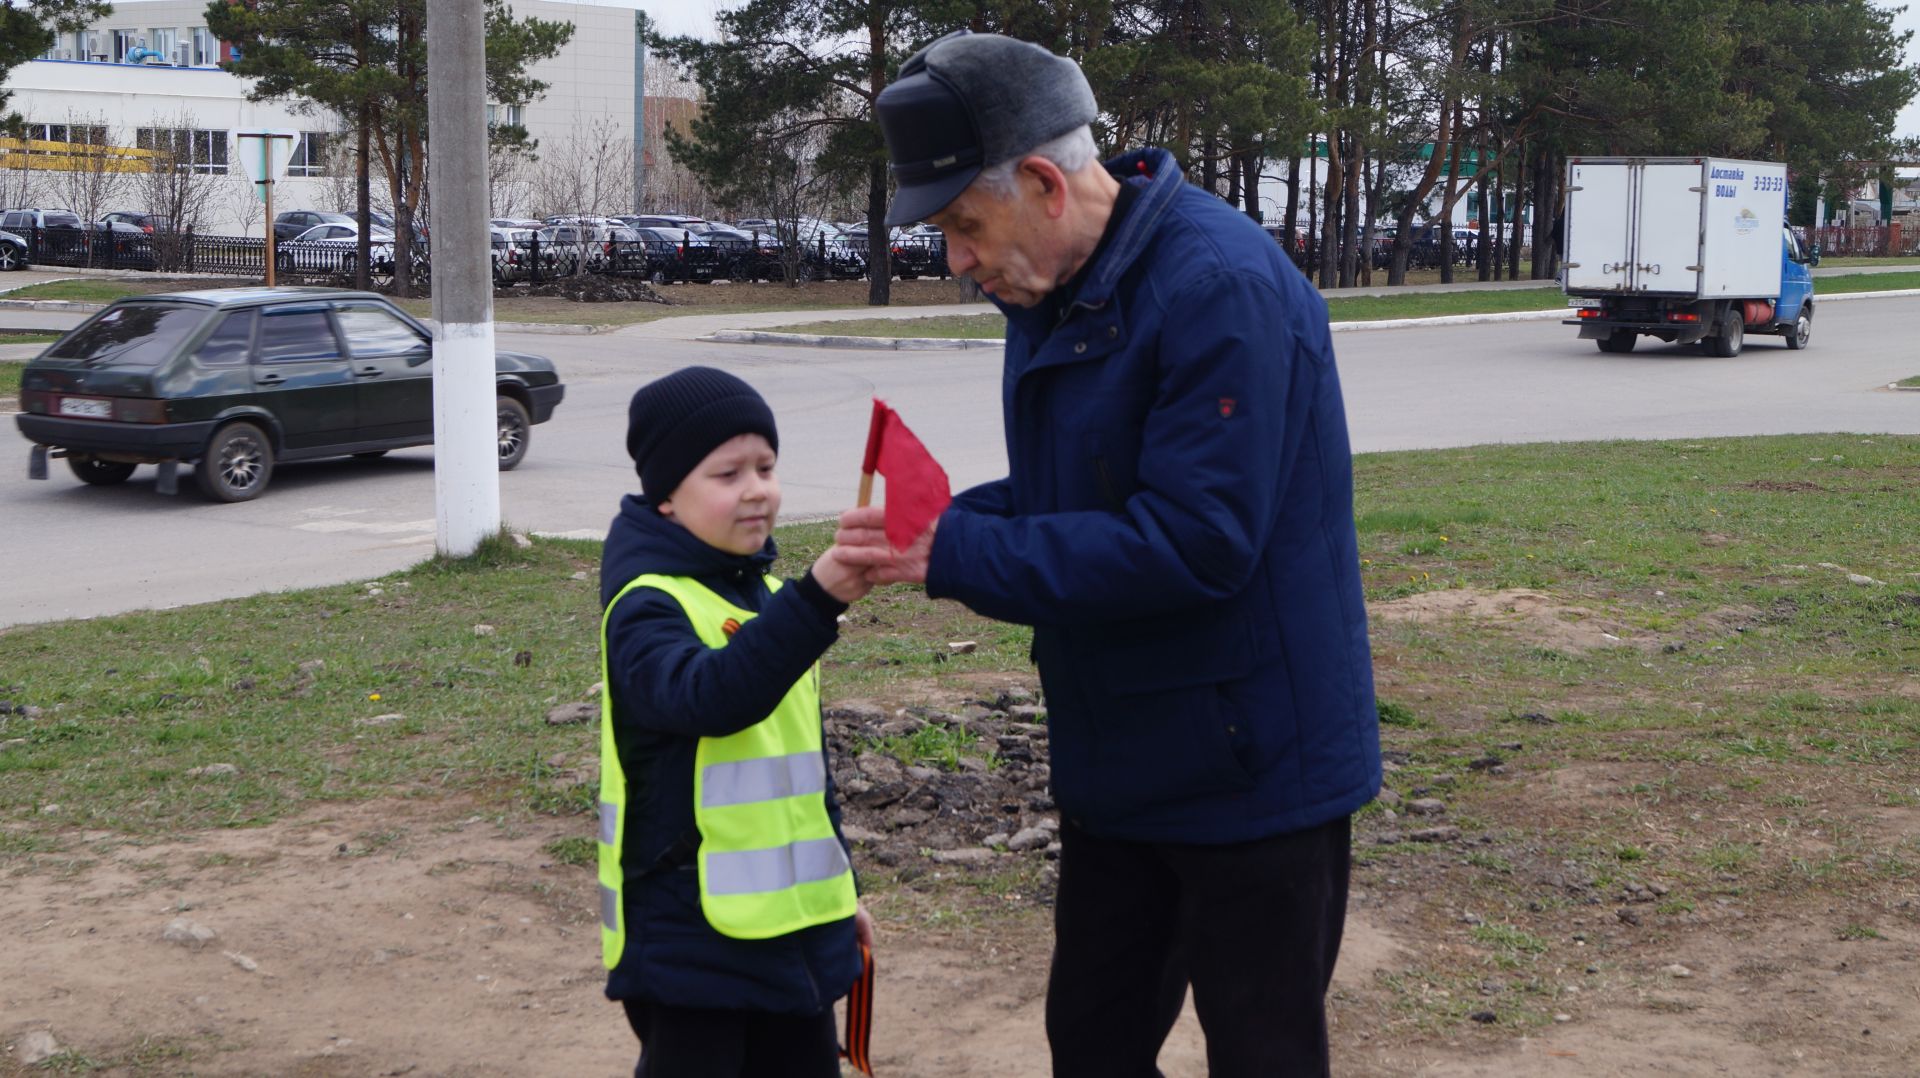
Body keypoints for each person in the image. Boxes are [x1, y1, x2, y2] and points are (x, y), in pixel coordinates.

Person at [841, 31, 1382, 1078]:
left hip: (1253, 769)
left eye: (964, 223)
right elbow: (1080, 495)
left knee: (1263, 1051)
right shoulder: (1041, 284)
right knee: (1092, 1037)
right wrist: (937, 526)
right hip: (1122, 759)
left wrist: (955, 553)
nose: (957, 259)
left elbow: (1193, 542)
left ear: (1044, 181)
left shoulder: (1219, 288)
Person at [597, 366, 874, 1078]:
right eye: (727, 473)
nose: (756, 489)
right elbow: (711, 698)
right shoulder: (645, 607)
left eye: (767, 466)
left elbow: (806, 778)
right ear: (666, 499)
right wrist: (818, 600)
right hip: (691, 940)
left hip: (798, 933)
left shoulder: (773, 597)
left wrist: (845, 898)